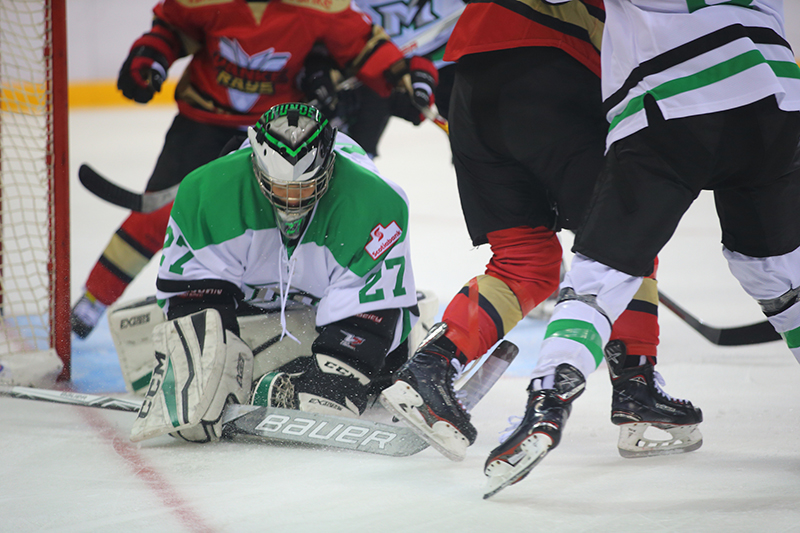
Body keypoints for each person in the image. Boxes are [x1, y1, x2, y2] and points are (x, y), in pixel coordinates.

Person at [478, 0, 800, 497]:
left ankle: (546, 405)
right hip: (774, 94)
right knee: (778, 271)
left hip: (672, 99)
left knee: (603, 274)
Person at [379, 0, 703, 465]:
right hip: (559, 74)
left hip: (470, 89)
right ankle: (637, 389)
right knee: (625, 241)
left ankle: (428, 370)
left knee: (526, 260)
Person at [70, 0, 438, 338]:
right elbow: (173, 28)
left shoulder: (318, 4)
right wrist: (153, 55)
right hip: (203, 122)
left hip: (280, 134)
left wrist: (404, 82)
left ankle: (284, 305)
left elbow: (364, 48)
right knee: (160, 216)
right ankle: (94, 297)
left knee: (284, 221)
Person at [128, 102, 419, 444]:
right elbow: (192, 288)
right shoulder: (208, 191)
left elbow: (368, 311)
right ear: (256, 166)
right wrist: (201, 366)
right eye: (279, 187)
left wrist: (338, 375)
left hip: (329, 294)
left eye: (305, 187)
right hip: (251, 293)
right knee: (194, 409)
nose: (291, 202)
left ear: (329, 167)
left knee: (331, 398)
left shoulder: (375, 202)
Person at [301, 0, 465, 158]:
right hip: (366, 63)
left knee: (473, 141)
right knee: (345, 153)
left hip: (453, 54)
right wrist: (319, 62)